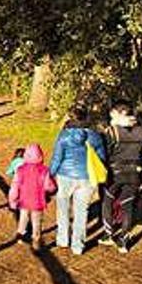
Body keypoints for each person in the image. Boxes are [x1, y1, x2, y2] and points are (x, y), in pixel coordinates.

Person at [49, 108, 106, 255]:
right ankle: (78, 246)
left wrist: (50, 174)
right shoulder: (95, 136)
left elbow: (57, 158)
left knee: (63, 207)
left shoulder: (63, 136)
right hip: (87, 177)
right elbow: (101, 158)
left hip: (65, 175)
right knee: (81, 211)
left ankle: (62, 239)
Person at [98, 101, 142, 253]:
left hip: (115, 174)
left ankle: (108, 234)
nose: (110, 115)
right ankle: (123, 240)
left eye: (113, 112)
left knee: (108, 201)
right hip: (135, 173)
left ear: (120, 113)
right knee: (127, 205)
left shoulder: (112, 131)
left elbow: (104, 154)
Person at [8, 144, 56, 250]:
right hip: (37, 202)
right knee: (36, 222)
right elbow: (49, 186)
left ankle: (20, 233)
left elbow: (15, 186)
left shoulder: (20, 170)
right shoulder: (44, 170)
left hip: (23, 201)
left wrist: (12, 201)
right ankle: (36, 239)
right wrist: (52, 190)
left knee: (23, 217)